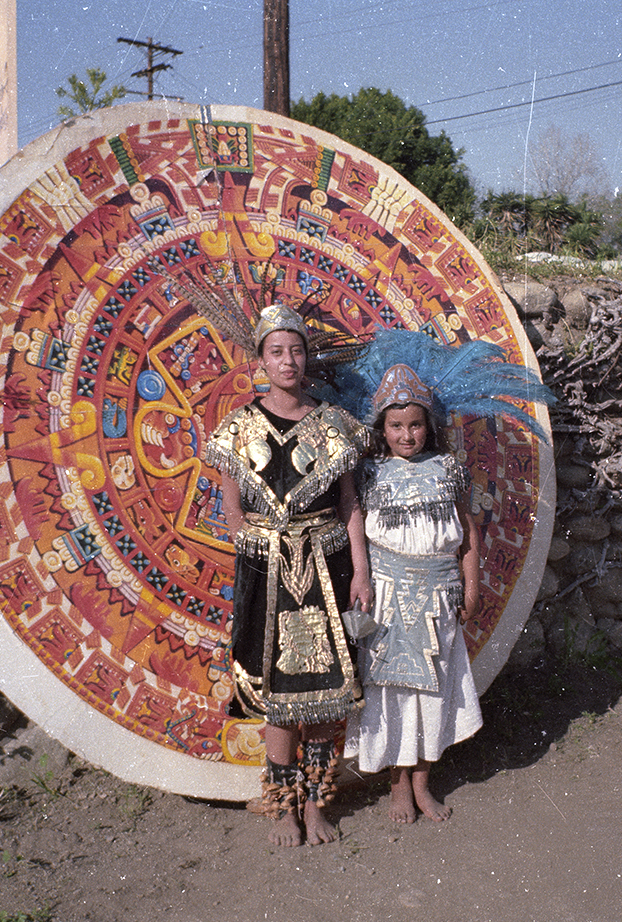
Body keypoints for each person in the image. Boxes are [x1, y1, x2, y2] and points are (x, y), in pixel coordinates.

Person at [203, 303, 373, 847]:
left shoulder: (335, 425)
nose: (288, 360)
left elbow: (350, 505)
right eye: (276, 351)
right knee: (276, 692)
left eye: (296, 349)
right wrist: (262, 552)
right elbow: (232, 512)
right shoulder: (237, 428)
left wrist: (361, 571)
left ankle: (319, 804)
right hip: (267, 573)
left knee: (325, 692)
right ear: (260, 359)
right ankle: (283, 809)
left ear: (308, 356)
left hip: (328, 569)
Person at [347, 362, 485, 823]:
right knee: (388, 693)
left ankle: (423, 783)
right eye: (396, 426)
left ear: (429, 425)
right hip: (385, 598)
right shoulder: (368, 474)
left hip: (439, 596)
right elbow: (357, 536)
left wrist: (472, 585)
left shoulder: (449, 469)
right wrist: (362, 579)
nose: (407, 435)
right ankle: (396, 784)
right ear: (381, 428)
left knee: (434, 689)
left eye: (415, 425)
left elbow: (467, 534)